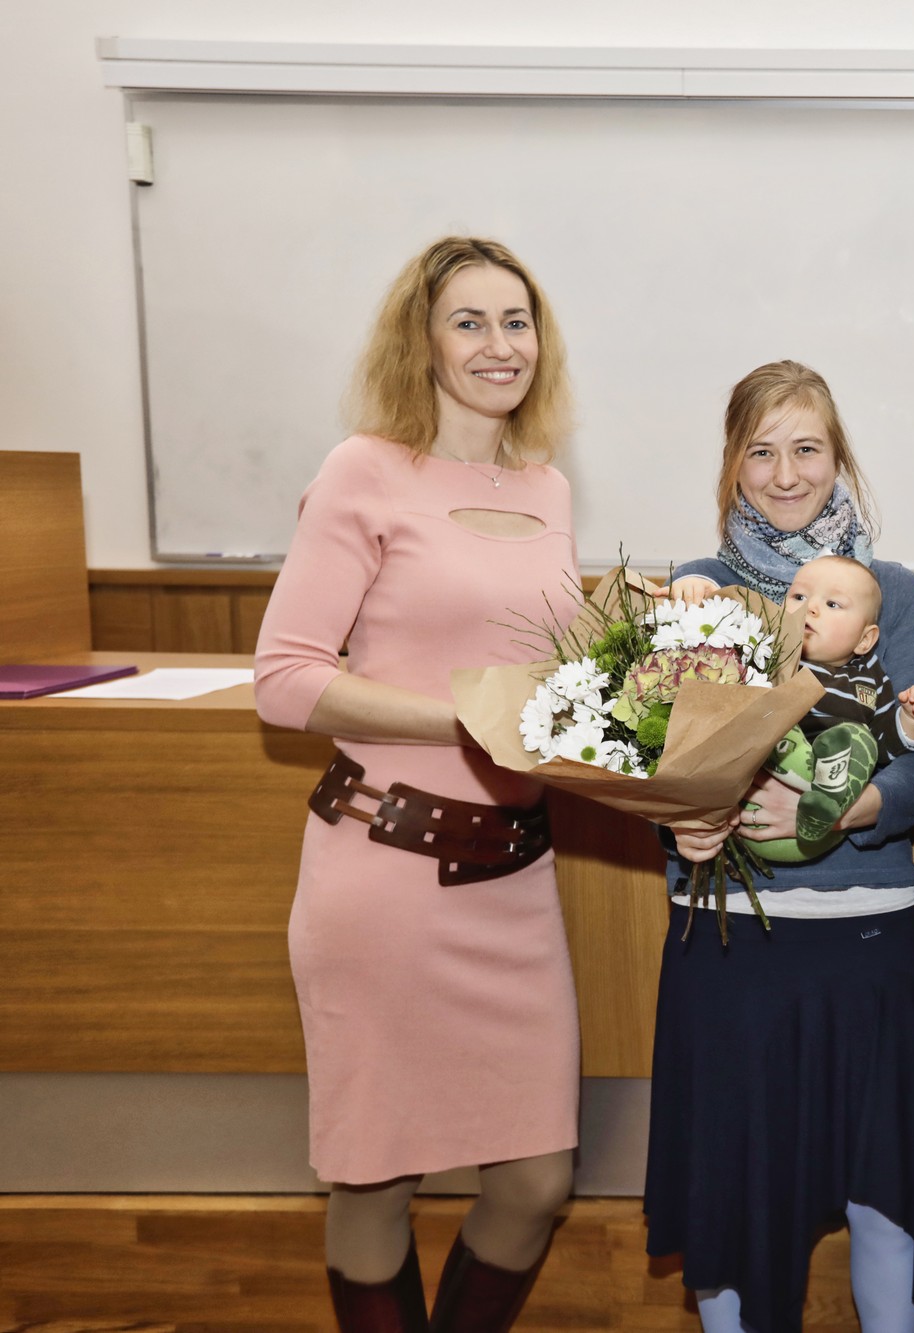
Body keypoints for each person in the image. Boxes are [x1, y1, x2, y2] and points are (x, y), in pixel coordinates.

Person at [253, 236, 581, 1330]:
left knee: (535, 1181)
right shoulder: (364, 469)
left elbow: (554, 681)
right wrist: (467, 716)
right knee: (373, 1177)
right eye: (470, 322)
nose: (500, 345)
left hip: (515, 885)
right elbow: (287, 680)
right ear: (423, 341)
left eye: (517, 320)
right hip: (384, 869)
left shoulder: (547, 487)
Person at [646, 361, 914, 1333]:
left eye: (807, 449)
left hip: (865, 947)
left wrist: (845, 809)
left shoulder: (892, 592)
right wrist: (678, 814)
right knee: (730, 1203)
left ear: (839, 459)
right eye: (761, 451)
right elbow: (643, 756)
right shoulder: (694, 593)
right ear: (733, 466)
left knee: (884, 1197)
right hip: (727, 946)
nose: (786, 473)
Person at [774, 554, 914, 852]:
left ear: (864, 641)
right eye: (798, 596)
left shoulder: (869, 679)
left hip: (835, 805)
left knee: (860, 741)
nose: (809, 607)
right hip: (774, 781)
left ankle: (825, 800)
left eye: (832, 604)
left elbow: (885, 746)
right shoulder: (770, 659)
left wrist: (912, 720)